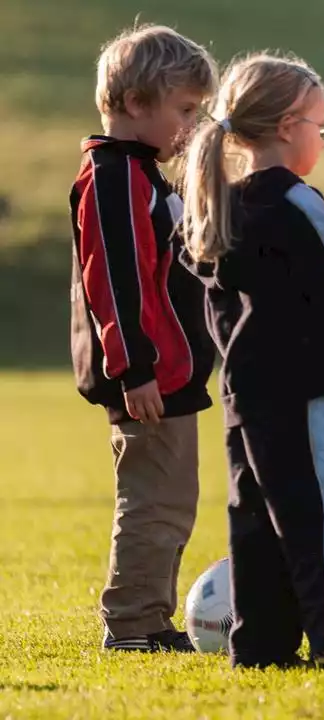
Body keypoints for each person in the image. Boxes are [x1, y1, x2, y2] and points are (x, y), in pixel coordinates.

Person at [181, 53, 324, 669]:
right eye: (322, 128)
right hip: (309, 391)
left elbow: (216, 314)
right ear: (291, 126)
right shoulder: (298, 203)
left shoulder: (216, 205)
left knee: (256, 518)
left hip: (246, 397)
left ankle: (260, 644)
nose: (322, 139)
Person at [69, 24, 217, 652]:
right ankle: (132, 623)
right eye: (184, 110)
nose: (191, 125)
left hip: (169, 371)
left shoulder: (143, 176)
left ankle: (151, 617)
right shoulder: (113, 178)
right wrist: (134, 366)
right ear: (136, 104)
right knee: (154, 499)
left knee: (173, 497)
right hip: (148, 375)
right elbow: (117, 278)